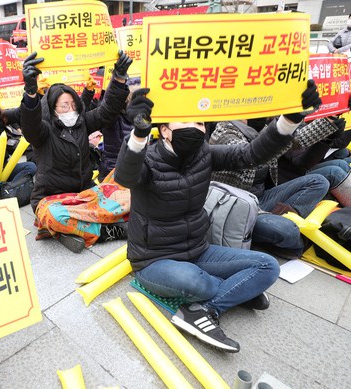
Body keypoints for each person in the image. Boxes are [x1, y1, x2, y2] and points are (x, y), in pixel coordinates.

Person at [114, 81, 321, 352]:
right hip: (154, 261)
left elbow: (250, 155)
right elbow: (125, 176)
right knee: (194, 281)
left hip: (199, 251)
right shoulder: (148, 161)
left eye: (200, 124)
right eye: (186, 121)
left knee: (267, 267)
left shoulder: (204, 155)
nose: (196, 128)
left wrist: (290, 119)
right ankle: (234, 290)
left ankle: (203, 310)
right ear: (164, 130)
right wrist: (139, 135)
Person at [19, 51, 132, 252]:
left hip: (86, 194)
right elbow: (30, 124)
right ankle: (108, 230)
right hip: (54, 200)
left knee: (125, 186)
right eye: (64, 106)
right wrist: (30, 91)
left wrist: (119, 78)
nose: (70, 109)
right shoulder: (43, 131)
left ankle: (80, 229)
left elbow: (107, 111)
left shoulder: (83, 122)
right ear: (52, 109)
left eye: (73, 105)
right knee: (53, 215)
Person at [209, 107, 336, 257]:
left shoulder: (259, 128)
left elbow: (296, 140)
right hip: (238, 209)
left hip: (261, 199)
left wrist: (330, 118)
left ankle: (278, 225)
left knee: (319, 181)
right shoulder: (224, 133)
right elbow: (253, 156)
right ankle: (283, 234)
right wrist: (284, 126)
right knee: (285, 230)